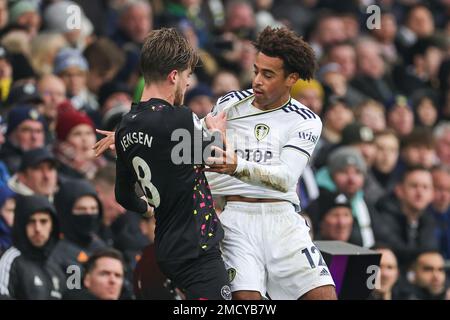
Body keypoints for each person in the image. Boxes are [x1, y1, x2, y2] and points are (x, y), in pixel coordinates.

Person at [94, 26, 335, 300]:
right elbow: (180, 135)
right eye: (256, 70)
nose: (257, 80)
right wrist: (132, 134)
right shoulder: (230, 103)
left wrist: (237, 166)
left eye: (268, 75)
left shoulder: (305, 120)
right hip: (236, 219)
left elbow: (286, 179)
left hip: (283, 220)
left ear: (291, 78)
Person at [112, 28, 230, 300]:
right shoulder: (178, 118)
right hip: (195, 250)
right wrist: (217, 133)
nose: (188, 84)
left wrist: (147, 206)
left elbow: (124, 196)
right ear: (174, 76)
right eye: (187, 76)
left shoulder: (124, 128)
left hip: (165, 246)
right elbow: (214, 156)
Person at [0, 195, 65, 299]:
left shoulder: (57, 264)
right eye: (31, 222)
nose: (37, 229)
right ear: (21, 225)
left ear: (52, 225)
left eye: (43, 221)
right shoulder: (11, 260)